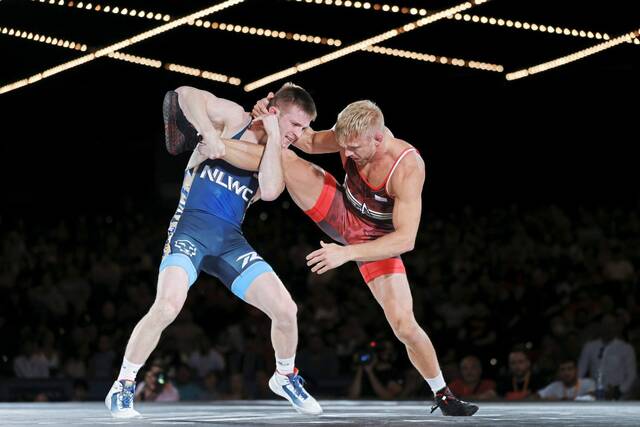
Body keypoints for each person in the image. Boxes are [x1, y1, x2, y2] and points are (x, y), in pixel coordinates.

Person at [187, 95, 478, 416]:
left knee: (404, 326)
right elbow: (308, 141)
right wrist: (274, 118)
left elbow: (405, 239)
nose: (347, 154)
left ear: (378, 138)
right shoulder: (349, 136)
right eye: (344, 146)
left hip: (376, 240)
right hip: (341, 210)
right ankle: (210, 144)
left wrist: (347, 253)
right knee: (283, 156)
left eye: (354, 148)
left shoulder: (406, 167)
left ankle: (443, 394)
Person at [105, 83, 322, 418]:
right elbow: (183, 94)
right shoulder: (234, 118)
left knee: (286, 309)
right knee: (166, 306)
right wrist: (211, 135)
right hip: (190, 230)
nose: (301, 133)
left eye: (304, 128)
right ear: (277, 111)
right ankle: (123, 384)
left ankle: (284, 376)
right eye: (297, 124)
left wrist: (276, 135)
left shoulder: (277, 155)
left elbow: (270, 189)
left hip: (229, 242)